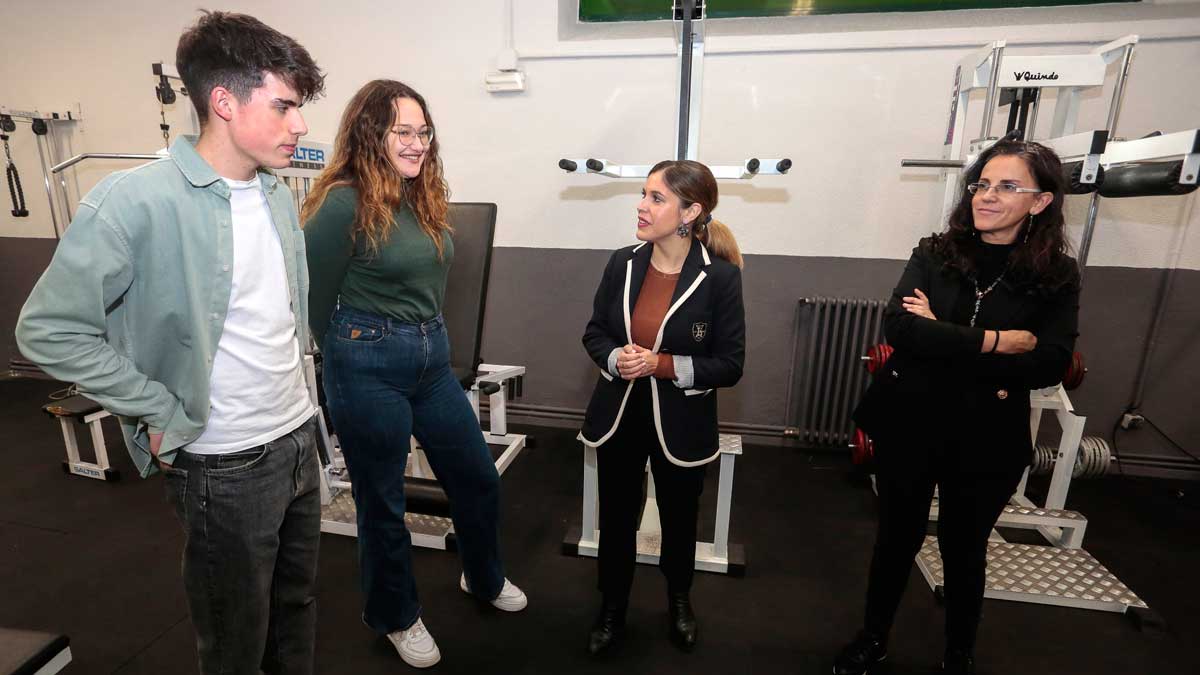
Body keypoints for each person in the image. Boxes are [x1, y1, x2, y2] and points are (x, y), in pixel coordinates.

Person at [15, 11, 325, 675]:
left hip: (299, 438)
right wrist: (156, 405)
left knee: (295, 613)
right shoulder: (132, 202)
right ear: (224, 101)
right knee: (237, 639)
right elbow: (47, 329)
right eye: (284, 106)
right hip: (223, 463)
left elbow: (277, 318)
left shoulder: (276, 196)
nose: (299, 124)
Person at [302, 79, 526, 669]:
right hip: (365, 358)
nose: (416, 141)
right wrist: (349, 354)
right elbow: (312, 300)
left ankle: (482, 577)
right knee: (382, 501)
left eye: (422, 130)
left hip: (431, 356)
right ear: (370, 133)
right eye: (402, 130)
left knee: (477, 478)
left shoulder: (422, 193)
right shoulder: (341, 202)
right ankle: (395, 615)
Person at [836, 138, 1081, 675]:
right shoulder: (935, 251)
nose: (987, 196)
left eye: (1007, 186)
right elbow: (900, 329)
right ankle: (873, 640)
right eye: (983, 183)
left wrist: (940, 336)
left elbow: (1048, 362)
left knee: (965, 549)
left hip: (987, 436)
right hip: (911, 422)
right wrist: (997, 342)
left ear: (1040, 203)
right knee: (895, 540)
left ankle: (958, 655)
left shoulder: (1056, 275)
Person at [579, 159, 746, 655]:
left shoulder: (720, 280)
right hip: (620, 418)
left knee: (678, 519)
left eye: (656, 198)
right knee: (617, 518)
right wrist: (615, 357)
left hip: (681, 423)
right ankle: (611, 608)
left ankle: (679, 600)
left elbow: (731, 364)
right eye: (644, 194)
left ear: (690, 211)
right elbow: (595, 332)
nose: (642, 205)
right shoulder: (622, 263)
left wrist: (662, 365)